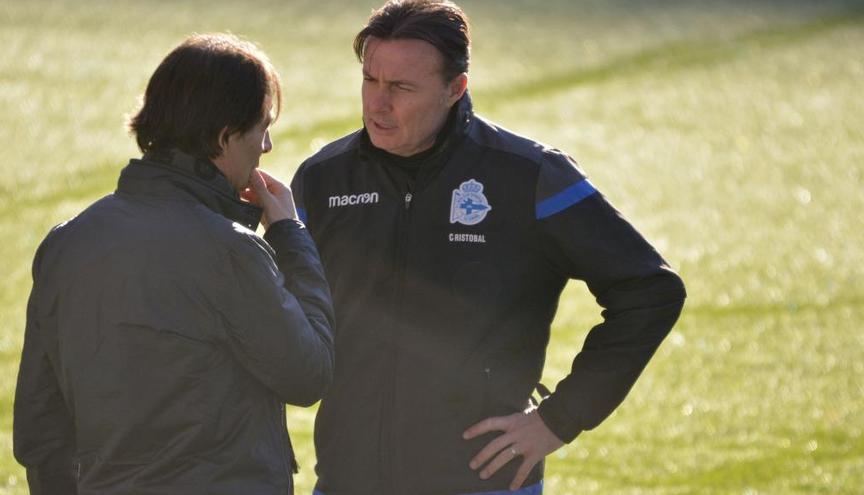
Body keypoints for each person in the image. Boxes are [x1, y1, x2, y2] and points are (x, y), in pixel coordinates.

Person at [290, 1, 687, 494]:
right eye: (370, 80)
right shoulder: (322, 179)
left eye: (401, 88)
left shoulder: (530, 176)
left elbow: (650, 290)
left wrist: (559, 419)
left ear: (456, 89)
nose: (377, 103)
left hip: (481, 482)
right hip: (348, 481)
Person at [13, 33, 335, 495]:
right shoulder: (228, 251)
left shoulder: (67, 242)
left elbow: (41, 426)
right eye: (262, 126)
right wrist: (289, 234)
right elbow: (308, 372)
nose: (267, 144)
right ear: (225, 136)